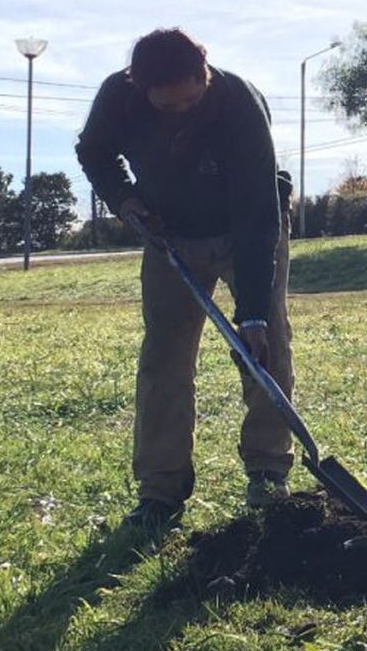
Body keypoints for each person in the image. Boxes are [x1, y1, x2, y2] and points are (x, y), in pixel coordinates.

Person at [76, 28, 295, 533]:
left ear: (205, 70)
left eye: (192, 99)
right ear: (140, 87)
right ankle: (160, 490)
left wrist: (254, 314)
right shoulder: (117, 97)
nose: (183, 112)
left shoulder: (239, 103)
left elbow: (257, 211)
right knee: (164, 358)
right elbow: (94, 153)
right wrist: (124, 198)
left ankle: (266, 468)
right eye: (169, 107)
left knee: (267, 348)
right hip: (170, 235)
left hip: (248, 227)